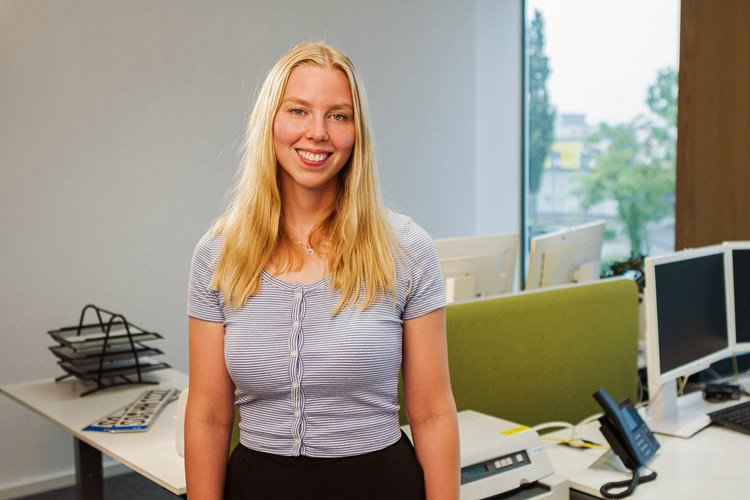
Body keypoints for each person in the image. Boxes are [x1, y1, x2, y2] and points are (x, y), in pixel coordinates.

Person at [186, 41, 459, 499]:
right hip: (257, 486)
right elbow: (208, 416)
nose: (318, 132)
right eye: (298, 111)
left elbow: (432, 414)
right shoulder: (219, 253)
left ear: (357, 132)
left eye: (339, 115)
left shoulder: (405, 248)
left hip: (380, 485)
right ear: (269, 122)